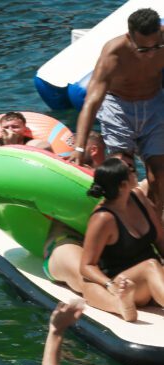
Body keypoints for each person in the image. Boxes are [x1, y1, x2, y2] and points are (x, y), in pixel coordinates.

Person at [70, 8, 164, 212]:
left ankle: (156, 226)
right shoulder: (113, 52)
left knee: (159, 174)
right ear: (130, 37)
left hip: (154, 105)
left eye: (156, 46)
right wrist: (79, 147)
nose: (151, 54)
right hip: (118, 108)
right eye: (143, 50)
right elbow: (92, 102)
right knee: (121, 170)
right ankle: (119, 218)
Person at [80, 157, 164, 321]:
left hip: (152, 279)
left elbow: (160, 239)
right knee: (151, 266)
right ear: (123, 185)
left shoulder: (138, 197)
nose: (136, 173)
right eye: (132, 171)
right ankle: (121, 303)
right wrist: (110, 285)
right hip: (124, 283)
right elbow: (86, 265)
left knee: (153, 267)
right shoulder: (103, 218)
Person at [42, 133, 107, 292]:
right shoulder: (67, 175)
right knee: (87, 281)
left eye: (76, 148)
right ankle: (122, 305)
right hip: (67, 241)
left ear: (92, 150)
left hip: (104, 254)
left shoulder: (118, 183)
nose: (71, 152)